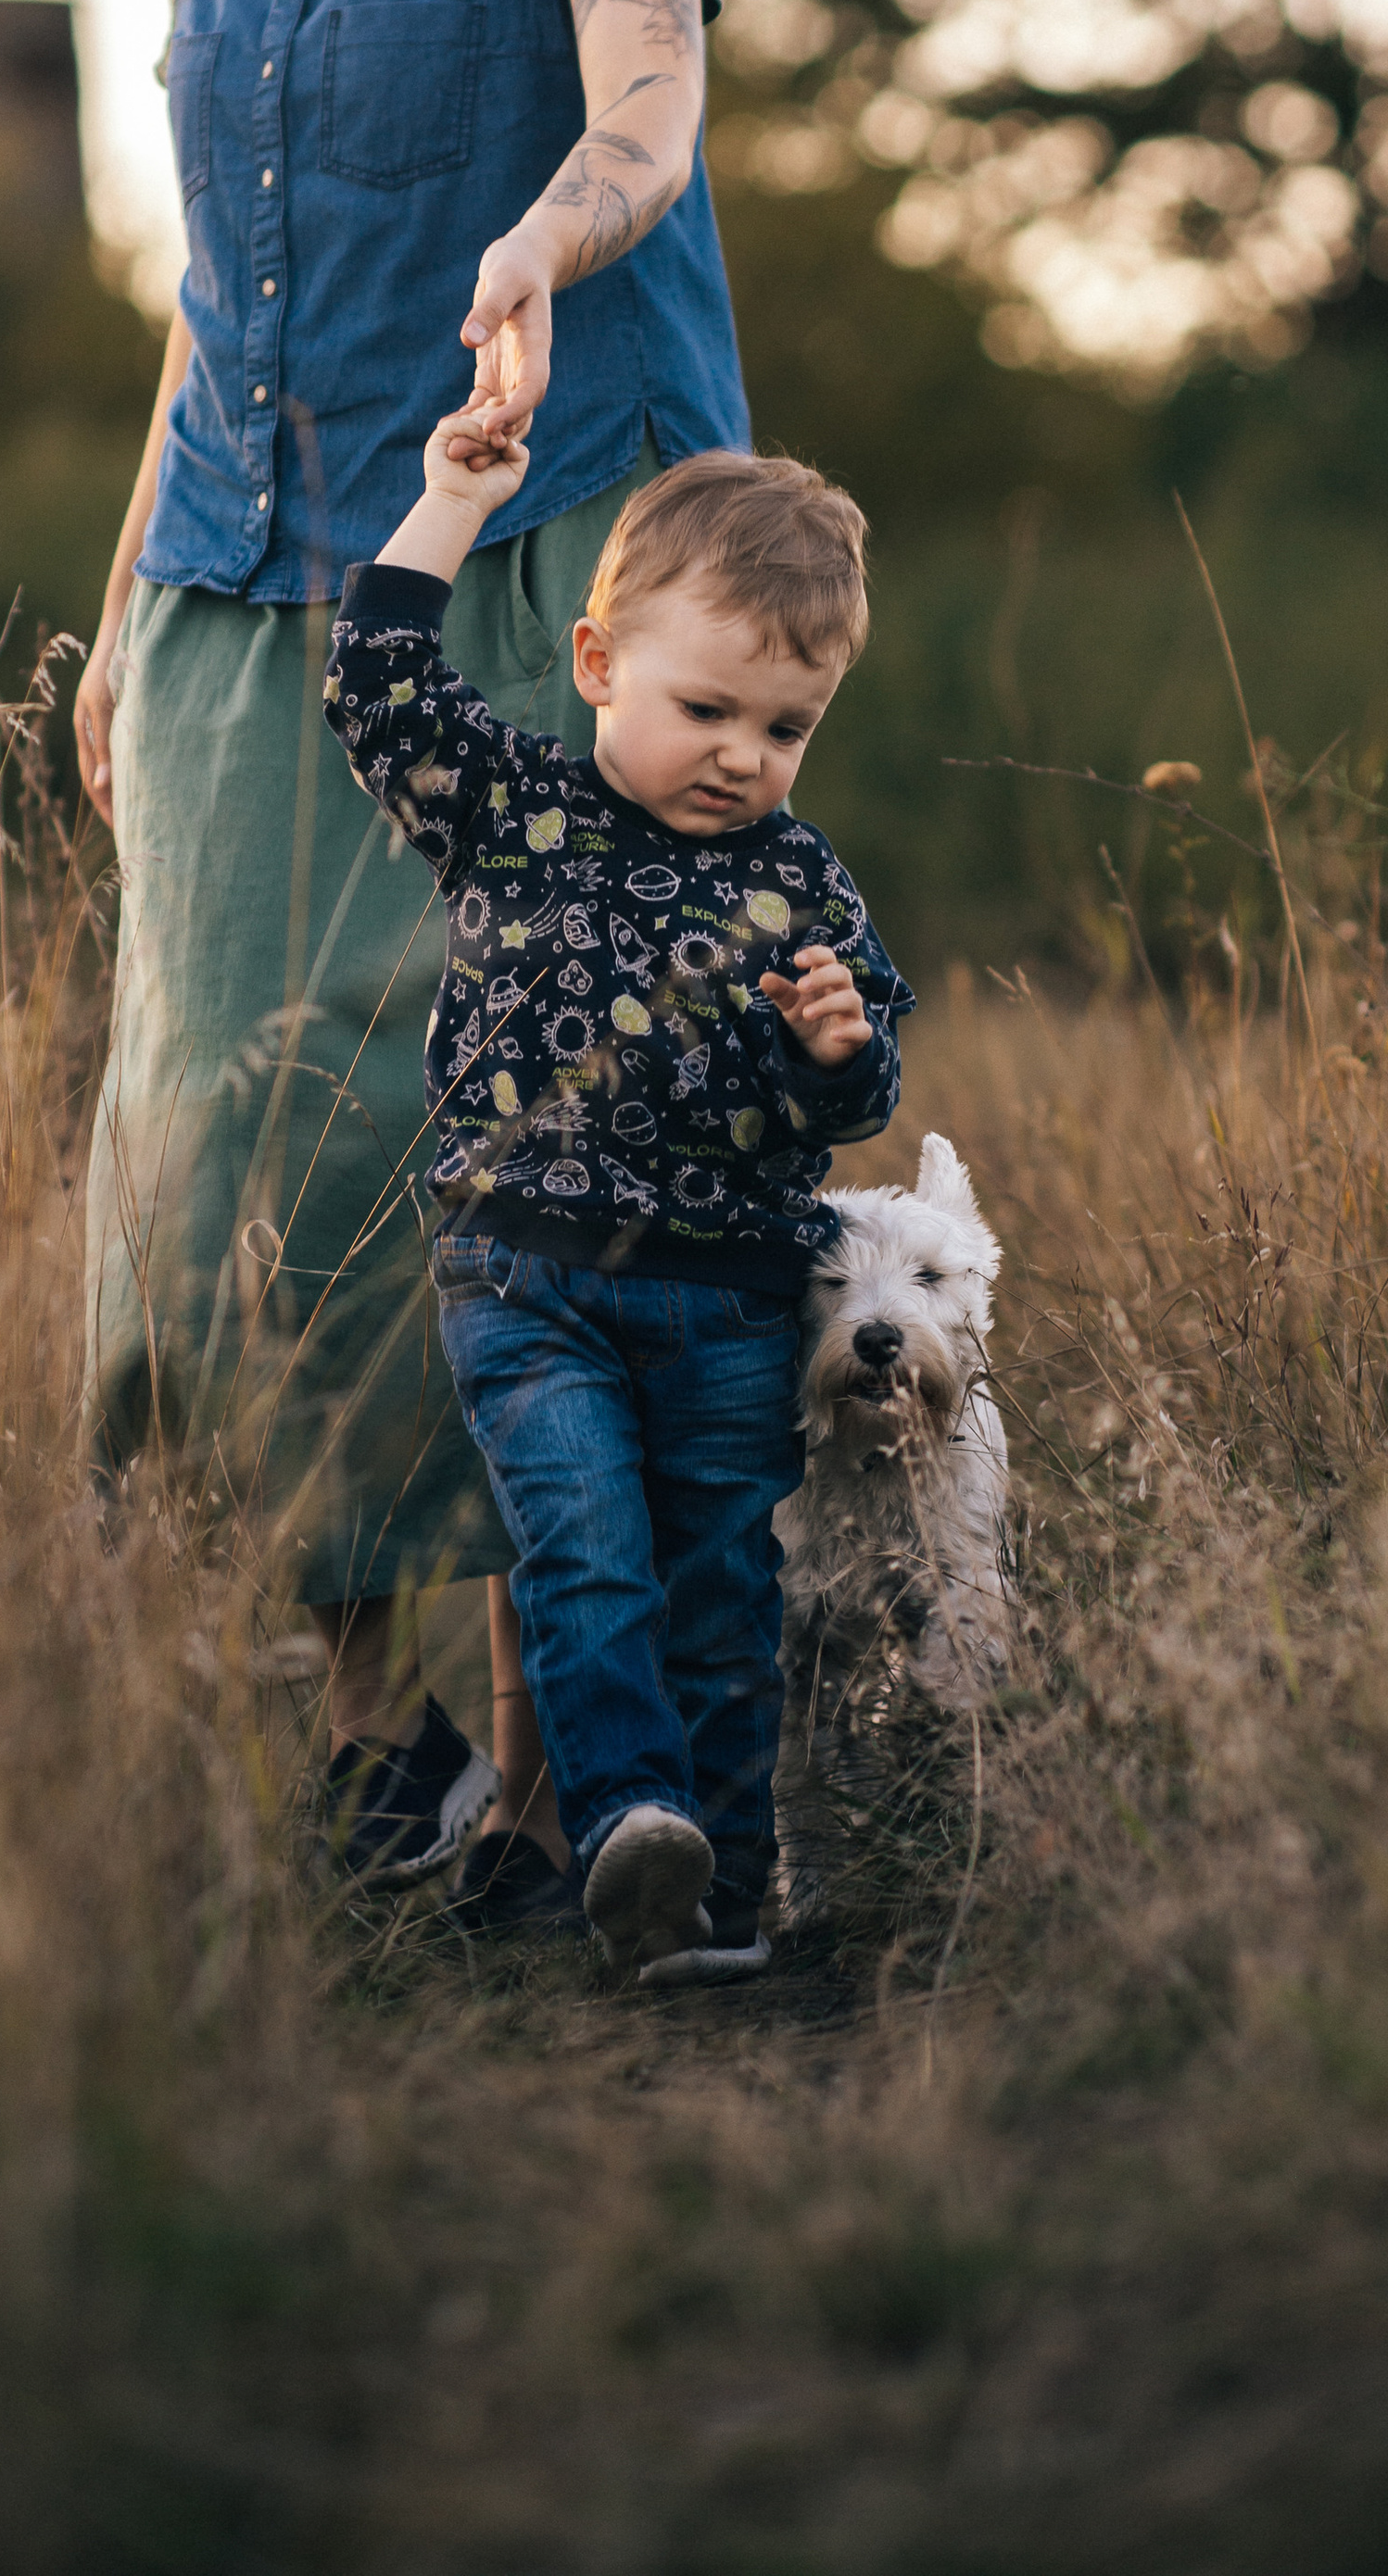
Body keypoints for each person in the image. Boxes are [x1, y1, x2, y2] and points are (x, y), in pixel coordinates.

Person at [74, 0, 751, 1909]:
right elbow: (206, 290)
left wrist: (551, 232)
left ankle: (572, 1739)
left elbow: (646, 106)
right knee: (230, 1165)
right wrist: (123, 609)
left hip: (517, 578)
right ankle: (385, 1767)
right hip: (249, 604)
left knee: (504, 1143)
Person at [324, 435, 912, 1981]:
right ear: (596, 663)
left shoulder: (804, 884)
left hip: (727, 1301)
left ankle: (717, 1904)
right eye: (706, 709)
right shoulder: (515, 809)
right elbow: (377, 678)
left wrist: (842, 1051)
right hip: (529, 1284)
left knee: (721, 1584)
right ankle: (632, 1828)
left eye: (786, 728)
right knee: (586, 1555)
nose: (742, 754)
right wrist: (455, 500)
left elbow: (856, 1104)